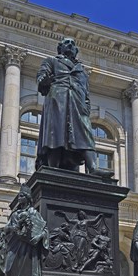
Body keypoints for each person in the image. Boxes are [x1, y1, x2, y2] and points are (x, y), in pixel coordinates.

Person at [36, 37, 112, 176]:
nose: (70, 45)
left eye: (72, 44)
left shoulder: (82, 71)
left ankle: (93, 168)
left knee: (85, 134)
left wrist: (86, 107)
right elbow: (41, 77)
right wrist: (43, 80)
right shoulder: (52, 61)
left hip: (77, 104)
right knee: (56, 134)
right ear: (60, 48)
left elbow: (86, 93)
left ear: (76, 50)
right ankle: (53, 169)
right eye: (67, 43)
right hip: (58, 99)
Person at [4, 185, 49, 276]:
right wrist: (13, 228)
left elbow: (44, 230)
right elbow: (6, 230)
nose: (19, 198)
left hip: (28, 250)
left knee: (26, 273)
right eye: (19, 196)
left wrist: (39, 237)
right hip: (15, 247)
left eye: (22, 196)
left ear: (28, 198)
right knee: (10, 271)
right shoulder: (15, 214)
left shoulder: (34, 213)